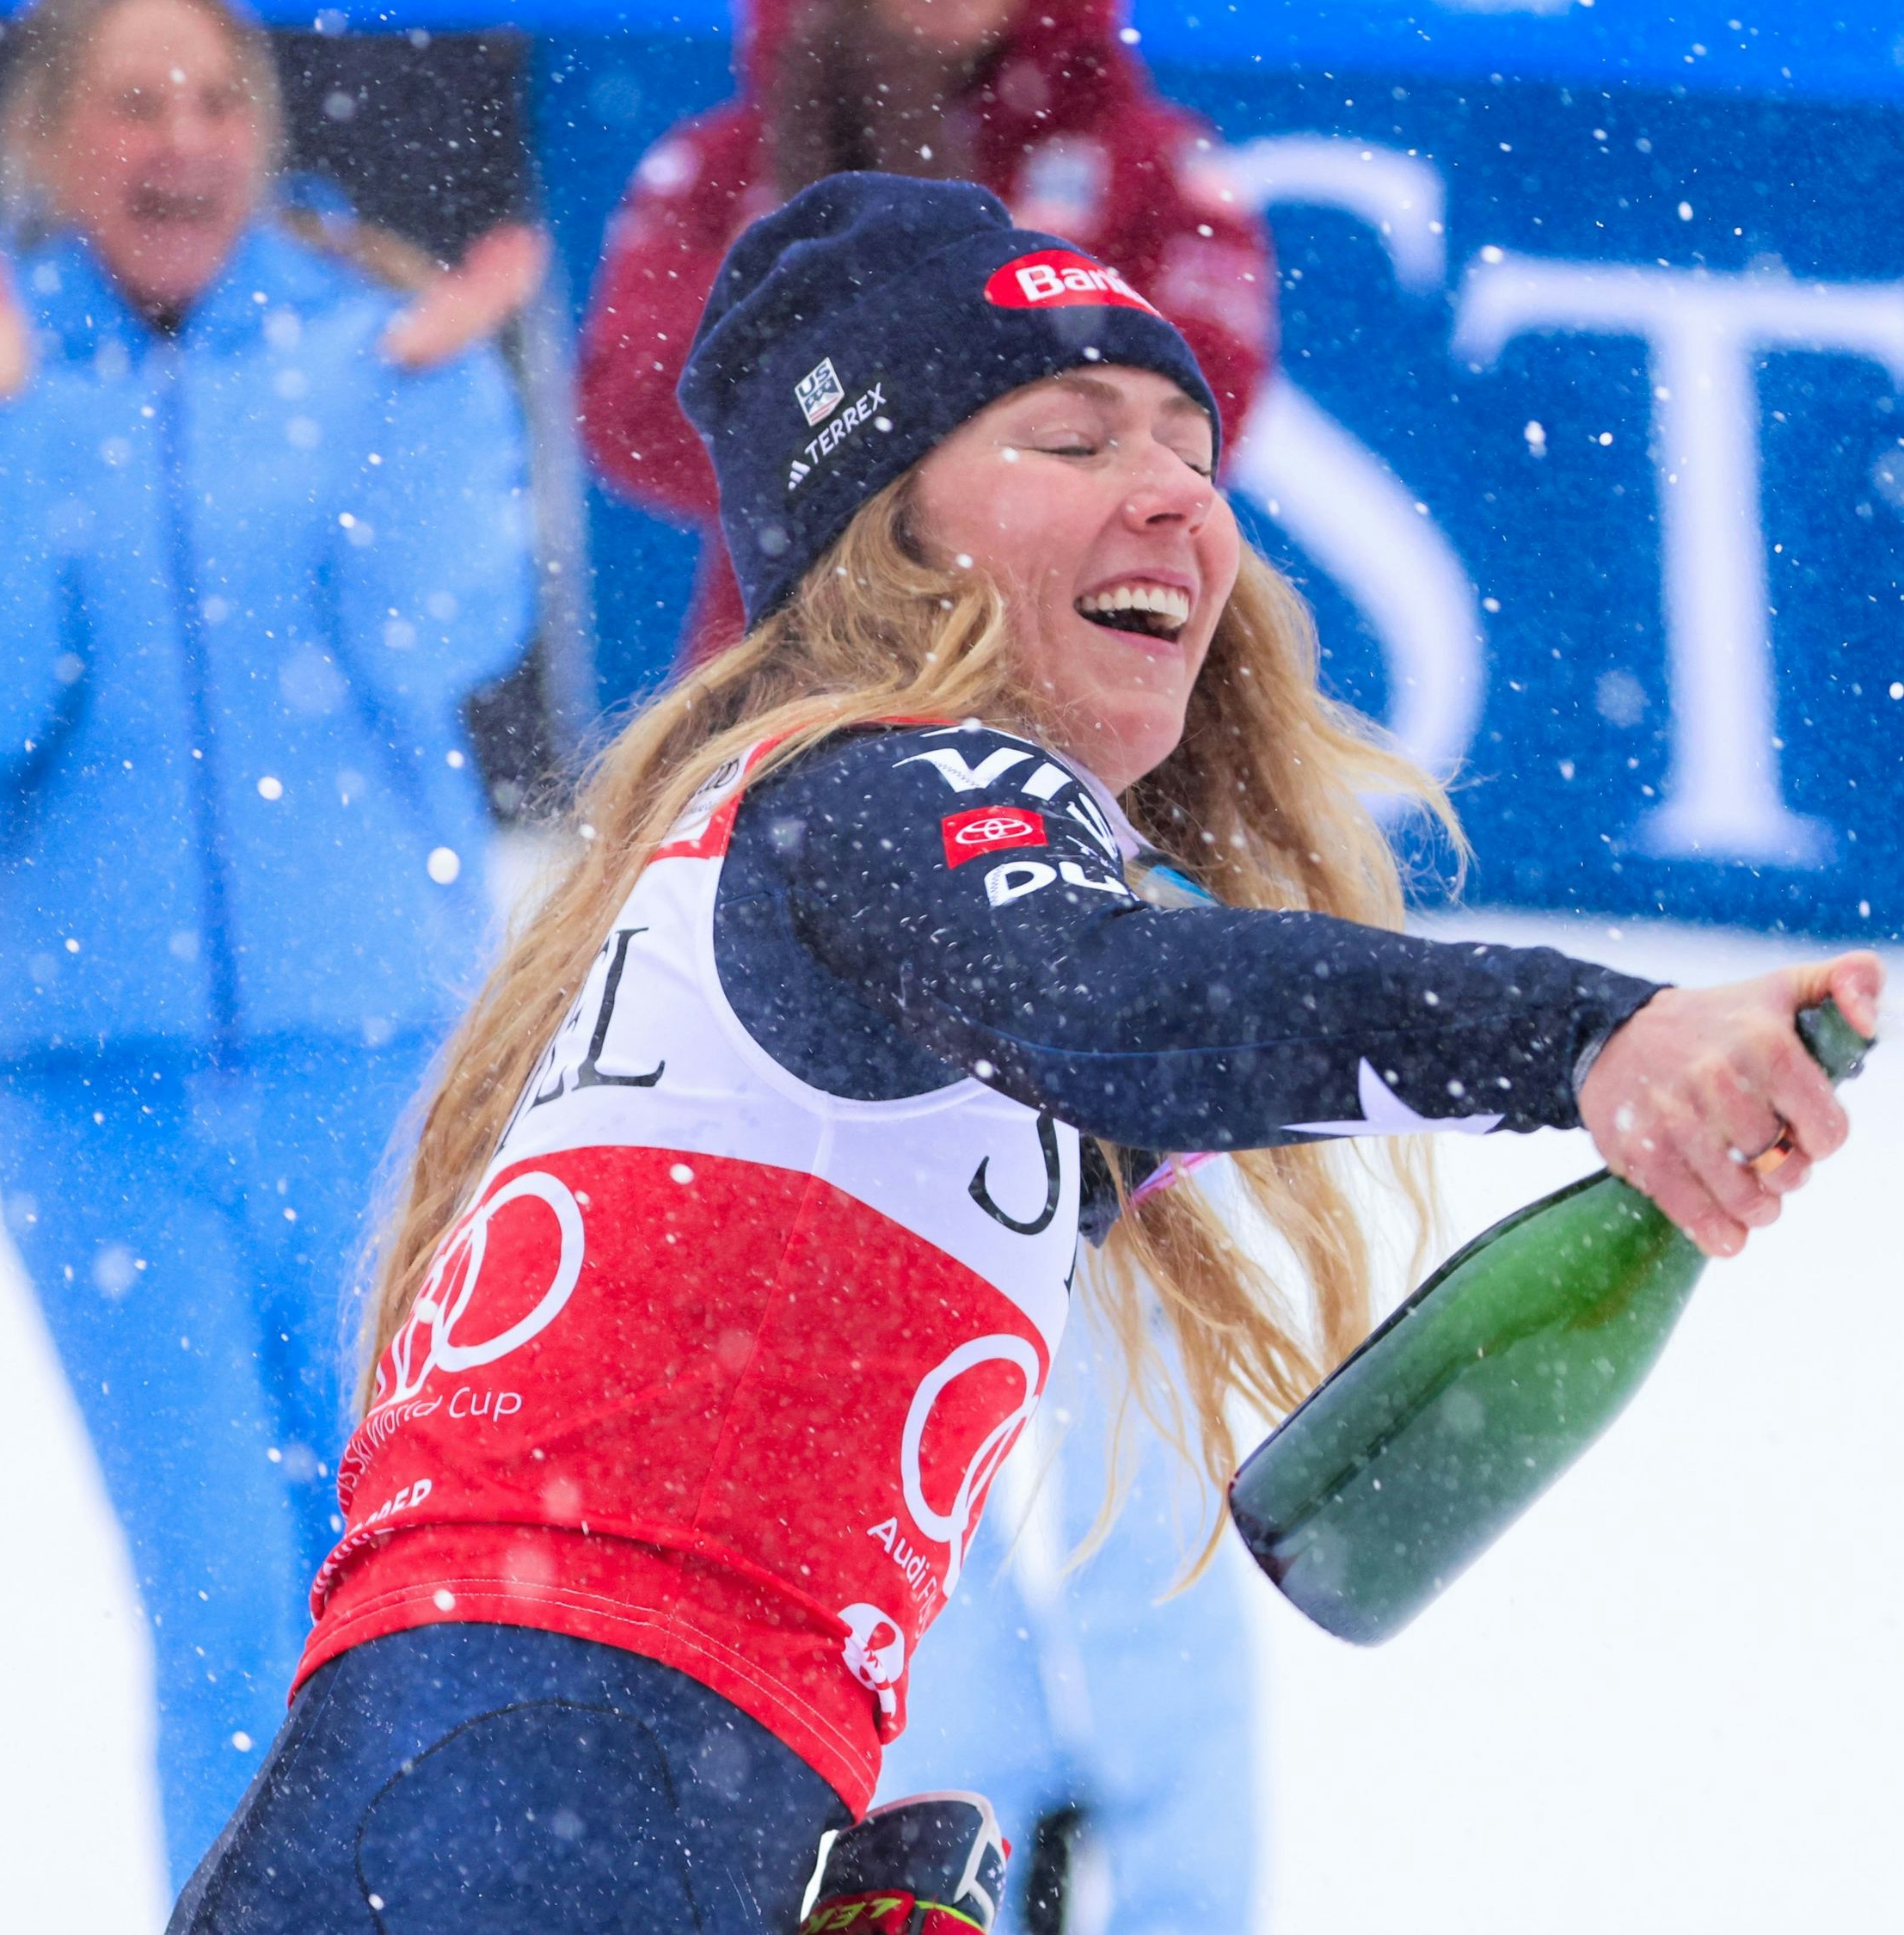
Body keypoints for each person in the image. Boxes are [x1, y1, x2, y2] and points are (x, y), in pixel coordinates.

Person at [173, 171, 1877, 1932]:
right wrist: (1597, 1037)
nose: (1170, 496)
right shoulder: (890, 789)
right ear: (890, 538)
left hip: (495, 1797)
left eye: (1185, 450)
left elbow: (1173, 1033)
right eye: (1067, 441)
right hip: (541, 1805)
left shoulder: (856, 877)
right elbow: (1123, 1006)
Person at [576, 11, 1276, 1920]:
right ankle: (964, 1830)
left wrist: (901, 365)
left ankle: (1193, 1887)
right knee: (870, 1418)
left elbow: (1195, 395)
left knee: (1147, 1405)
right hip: (813, 853)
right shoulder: (725, 158)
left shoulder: (1139, 152)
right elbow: (638, 403)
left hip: (1105, 835)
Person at [0, 0, 537, 1890]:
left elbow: (443, 641)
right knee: (227, 1612)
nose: (181, 137)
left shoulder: (379, 353)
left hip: (383, 1078)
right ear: (54, 143)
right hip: (95, 1105)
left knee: (410, 1592)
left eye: (216, 97)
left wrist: (411, 408)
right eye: (134, 100)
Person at [576, 0, 1273, 666]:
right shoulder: (724, 166)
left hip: (1075, 659)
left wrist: (863, 371)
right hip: (795, 669)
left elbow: (1200, 422)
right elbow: (632, 424)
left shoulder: (1150, 160)